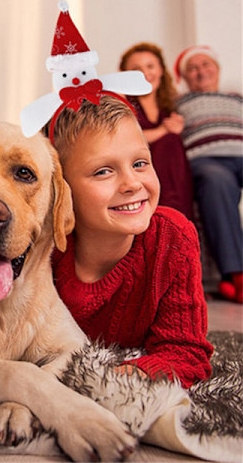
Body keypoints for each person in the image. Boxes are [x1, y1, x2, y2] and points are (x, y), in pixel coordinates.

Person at [49, 97, 213, 388]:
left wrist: (125, 378)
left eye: (140, 163)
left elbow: (185, 351)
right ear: (61, 187)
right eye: (103, 171)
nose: (132, 184)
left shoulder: (172, 238)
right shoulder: (42, 245)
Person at [174, 45, 243, 303]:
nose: (201, 72)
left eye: (206, 65)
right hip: (206, 160)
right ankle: (235, 275)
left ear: (217, 69)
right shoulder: (178, 102)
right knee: (217, 182)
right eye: (193, 68)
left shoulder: (236, 97)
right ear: (185, 78)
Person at [119, 42, 194, 219]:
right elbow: (125, 140)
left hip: (175, 181)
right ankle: (166, 216)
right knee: (169, 140)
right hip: (138, 174)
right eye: (136, 69)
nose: (145, 73)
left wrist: (176, 128)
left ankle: (178, 219)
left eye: (150, 66)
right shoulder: (122, 104)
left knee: (172, 142)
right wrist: (164, 130)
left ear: (161, 70)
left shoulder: (170, 106)